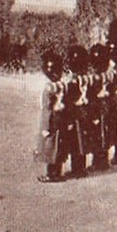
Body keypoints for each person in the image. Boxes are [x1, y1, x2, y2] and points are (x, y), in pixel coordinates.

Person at [35, 51, 67, 183]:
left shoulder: (49, 88)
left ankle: (51, 173)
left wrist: (45, 127)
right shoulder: (62, 85)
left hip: (52, 118)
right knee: (59, 145)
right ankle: (58, 171)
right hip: (61, 117)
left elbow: (47, 109)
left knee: (50, 147)